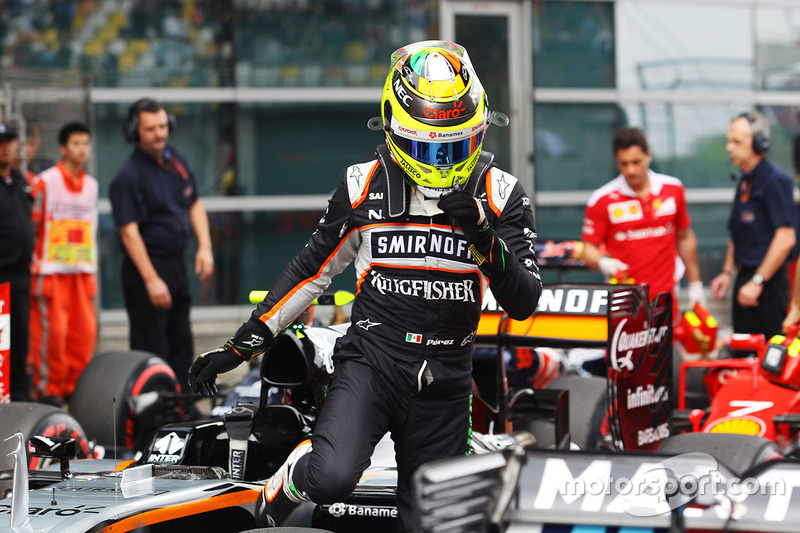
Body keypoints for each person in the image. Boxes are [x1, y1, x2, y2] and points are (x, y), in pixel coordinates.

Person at [187, 41, 542, 531]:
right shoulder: (361, 185)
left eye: (454, 146)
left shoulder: (502, 194)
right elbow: (310, 273)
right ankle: (292, 476)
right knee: (330, 477)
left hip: (446, 378)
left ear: (479, 131)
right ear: (395, 131)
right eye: (426, 147)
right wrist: (239, 346)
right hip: (372, 364)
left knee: (432, 522)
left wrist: (482, 233)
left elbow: (523, 301)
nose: (440, 161)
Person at [109, 98, 214, 391]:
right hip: (147, 270)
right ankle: (155, 412)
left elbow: (194, 204)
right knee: (152, 349)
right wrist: (152, 280)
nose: (160, 133)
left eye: (164, 126)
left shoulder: (176, 160)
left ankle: (182, 408)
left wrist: (205, 247)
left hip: (177, 264)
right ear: (135, 131)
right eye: (151, 128)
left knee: (181, 340)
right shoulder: (127, 177)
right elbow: (129, 233)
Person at [581, 126, 704, 319]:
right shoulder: (602, 199)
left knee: (666, 349)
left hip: (666, 297)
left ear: (649, 155)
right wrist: (604, 263)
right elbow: (588, 249)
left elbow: (685, 237)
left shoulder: (673, 188)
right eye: (624, 164)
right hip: (624, 300)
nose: (630, 170)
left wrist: (695, 284)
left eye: (636, 162)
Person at [28, 122, 98, 405]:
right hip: (50, 271)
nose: (82, 150)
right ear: (63, 148)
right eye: (76, 144)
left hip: (81, 272)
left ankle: (74, 388)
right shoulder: (45, 182)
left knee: (83, 333)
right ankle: (49, 389)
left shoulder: (91, 186)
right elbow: (31, 225)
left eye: (86, 144)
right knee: (52, 334)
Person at [710, 111, 796, 339]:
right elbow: (739, 232)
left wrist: (758, 281)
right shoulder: (745, 182)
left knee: (768, 357)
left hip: (767, 286)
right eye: (729, 141)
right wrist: (727, 272)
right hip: (744, 281)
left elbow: (786, 237)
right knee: (743, 354)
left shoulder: (775, 180)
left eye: (737, 142)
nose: (729, 148)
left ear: (760, 144)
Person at [0, 122, 34, 402]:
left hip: (22, 276)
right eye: (1, 142)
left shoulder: (21, 181)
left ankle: (20, 396)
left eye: (10, 141)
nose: (6, 147)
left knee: (21, 340)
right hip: (1, 276)